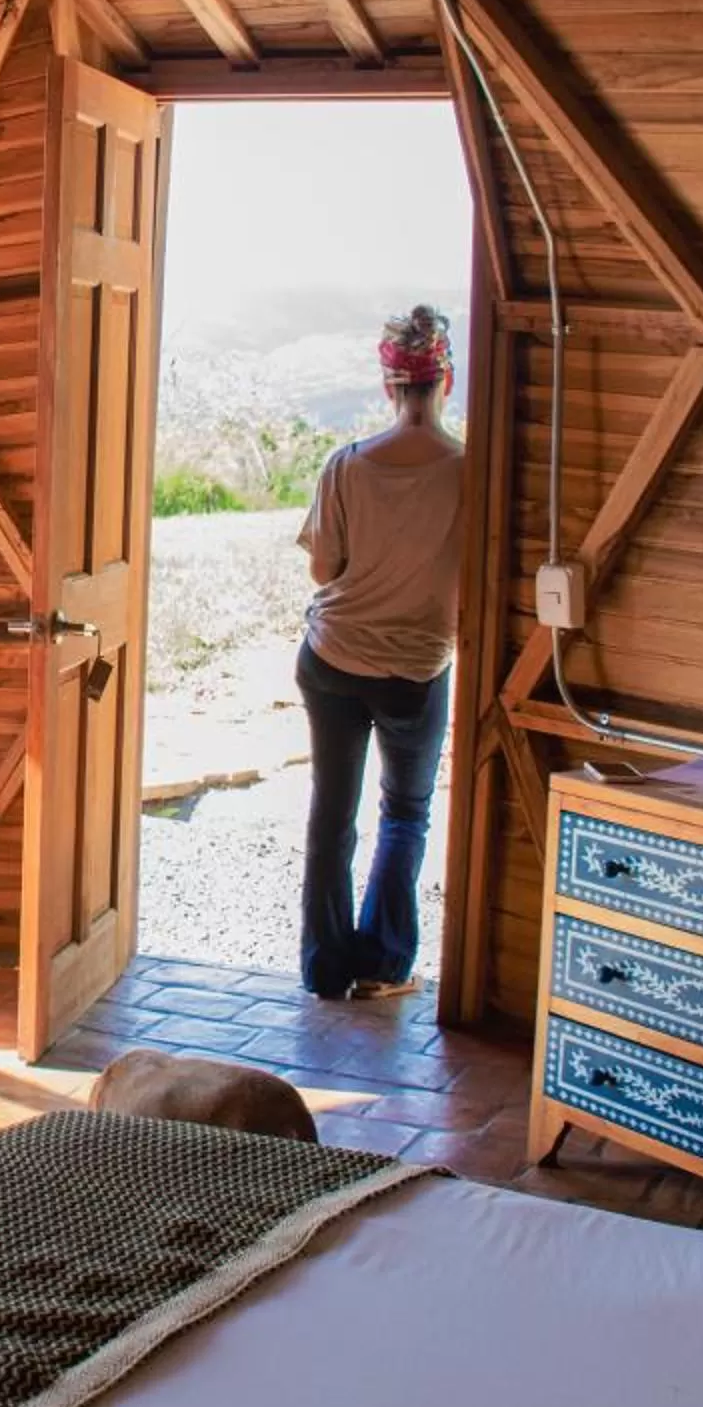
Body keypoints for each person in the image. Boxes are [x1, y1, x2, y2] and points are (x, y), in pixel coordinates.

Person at [294, 303, 465, 1002]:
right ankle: (384, 965)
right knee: (405, 812)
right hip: (413, 670)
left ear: (388, 386)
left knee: (332, 811)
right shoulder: (471, 472)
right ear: (445, 380)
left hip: (331, 658)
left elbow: (324, 571)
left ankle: (324, 969)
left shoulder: (347, 465)